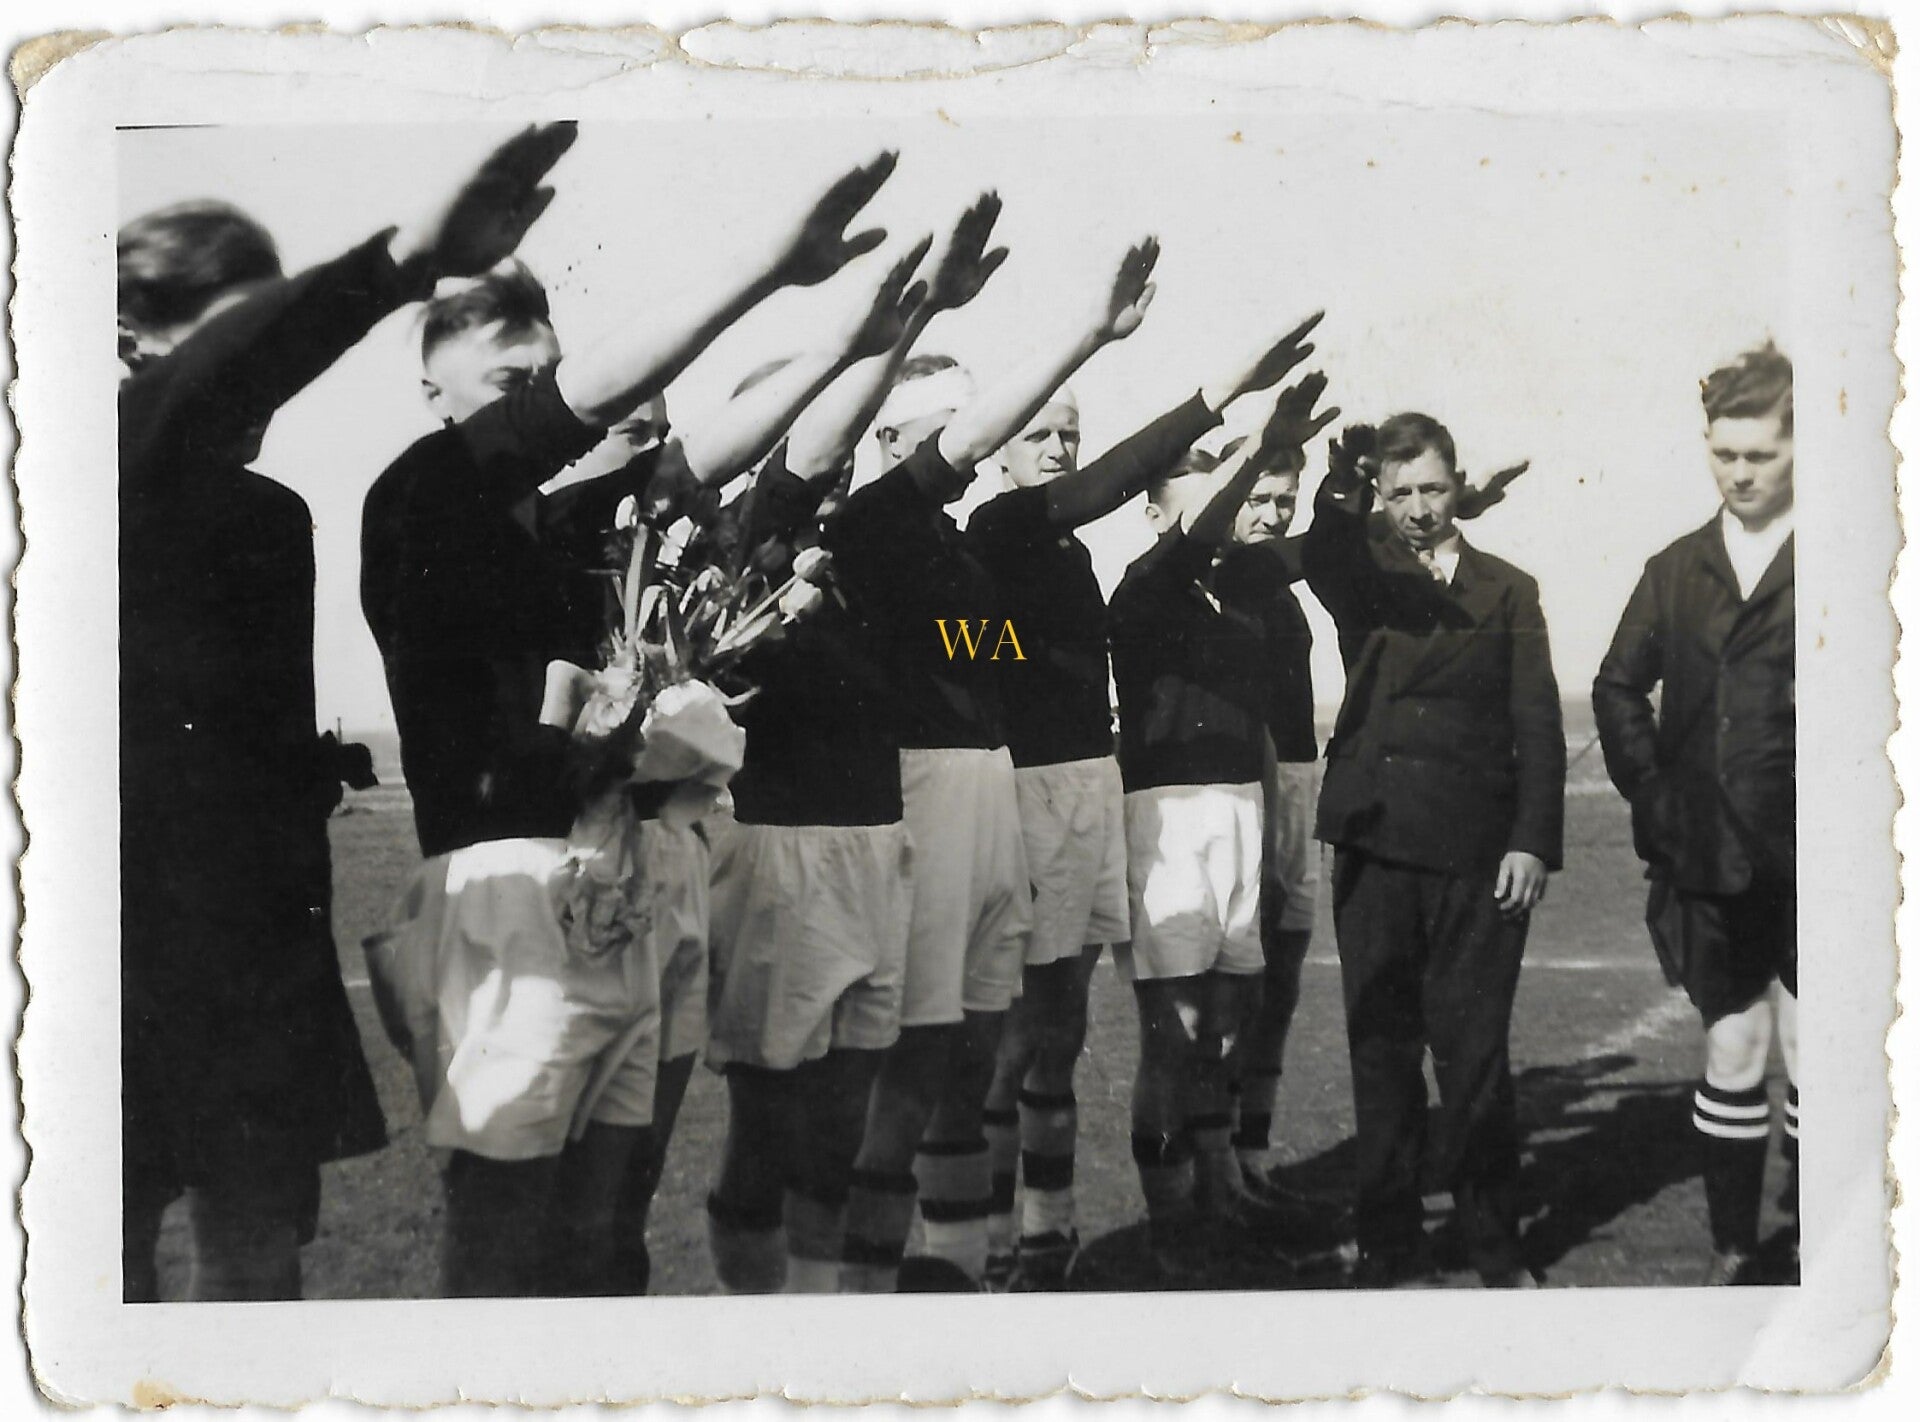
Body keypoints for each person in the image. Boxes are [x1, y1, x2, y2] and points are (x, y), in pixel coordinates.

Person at [359, 152, 904, 1296]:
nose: (550, 402)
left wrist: (857, 342)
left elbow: (726, 451)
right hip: (503, 889)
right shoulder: (415, 497)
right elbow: (597, 409)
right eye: (513, 383)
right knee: (506, 1240)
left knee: (610, 1230)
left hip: (622, 881)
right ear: (435, 395)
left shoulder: (564, 534)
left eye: (548, 376)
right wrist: (767, 267)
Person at [117, 122, 579, 1301]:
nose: (273, 374)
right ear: (127, 346)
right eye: (239, 340)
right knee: (92, 1260)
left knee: (262, 1251)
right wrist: (405, 260)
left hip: (256, 940)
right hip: (108, 952)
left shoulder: (271, 515)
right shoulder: (80, 463)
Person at [826, 224, 1160, 1292]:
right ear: (892, 444)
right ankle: (902, 1282)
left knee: (972, 1055)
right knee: (920, 1067)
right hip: (920, 805)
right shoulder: (871, 532)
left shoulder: (961, 546)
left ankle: (970, 1270)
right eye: (950, 431)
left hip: (990, 797)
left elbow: (977, 650)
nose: (976, 447)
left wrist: (1033, 650)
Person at [967, 312, 1327, 1289]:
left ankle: (1052, 1221)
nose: (1058, 448)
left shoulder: (1069, 558)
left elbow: (1017, 648)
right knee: (1021, 1033)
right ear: (994, 451)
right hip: (1037, 795)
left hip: (1091, 786)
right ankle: (1001, 1244)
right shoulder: (1003, 524)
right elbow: (1112, 489)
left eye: (1067, 431)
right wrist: (1222, 402)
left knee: (1065, 1029)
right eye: (1039, 433)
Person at [1302, 412, 1564, 1289]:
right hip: (1375, 847)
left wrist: (1531, 842)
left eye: (1433, 489)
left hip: (1476, 856)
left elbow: (1537, 723)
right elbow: (1329, 554)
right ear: (1380, 496)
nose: (1418, 508)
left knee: (1475, 1056)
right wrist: (1338, 491)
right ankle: (1391, 1247)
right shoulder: (1364, 580)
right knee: (1380, 1051)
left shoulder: (1510, 589)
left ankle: (1496, 1244)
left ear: (1460, 488)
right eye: (1399, 491)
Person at [1107, 382, 1335, 1278]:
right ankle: (1171, 1228)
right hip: (1169, 820)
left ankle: (1219, 1196)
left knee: (1228, 1028)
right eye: (1192, 498)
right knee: (1175, 1035)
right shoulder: (1144, 583)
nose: (1214, 512)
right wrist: (1259, 448)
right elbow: (1208, 534)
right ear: (1157, 509)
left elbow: (1314, 546)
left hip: (1243, 806)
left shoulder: (1240, 584)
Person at [1592, 343, 1797, 1286]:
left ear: (1798, 448)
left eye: (1759, 454)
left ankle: (1816, 1240)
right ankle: (1733, 1249)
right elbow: (1618, 685)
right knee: (1736, 1041)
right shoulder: (1677, 569)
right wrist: (1656, 793)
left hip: (1818, 858)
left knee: (1818, 1050)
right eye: (1725, 454)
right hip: (1708, 857)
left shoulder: (1849, 555)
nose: (1741, 473)